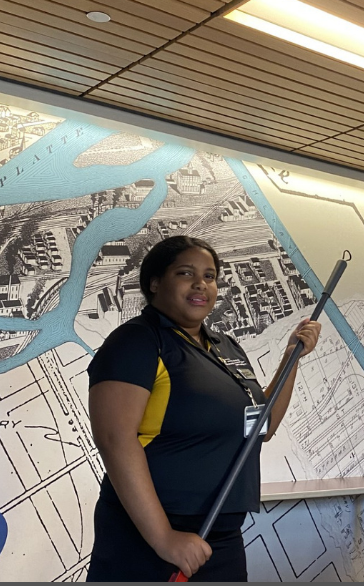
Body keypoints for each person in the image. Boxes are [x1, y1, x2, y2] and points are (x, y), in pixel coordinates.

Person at [86, 236, 321, 582]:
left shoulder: (225, 347)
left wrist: (291, 358)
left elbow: (262, 426)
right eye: (185, 273)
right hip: (150, 539)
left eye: (210, 276)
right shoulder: (137, 341)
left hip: (220, 536)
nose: (201, 284)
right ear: (155, 283)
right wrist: (164, 538)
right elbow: (115, 439)